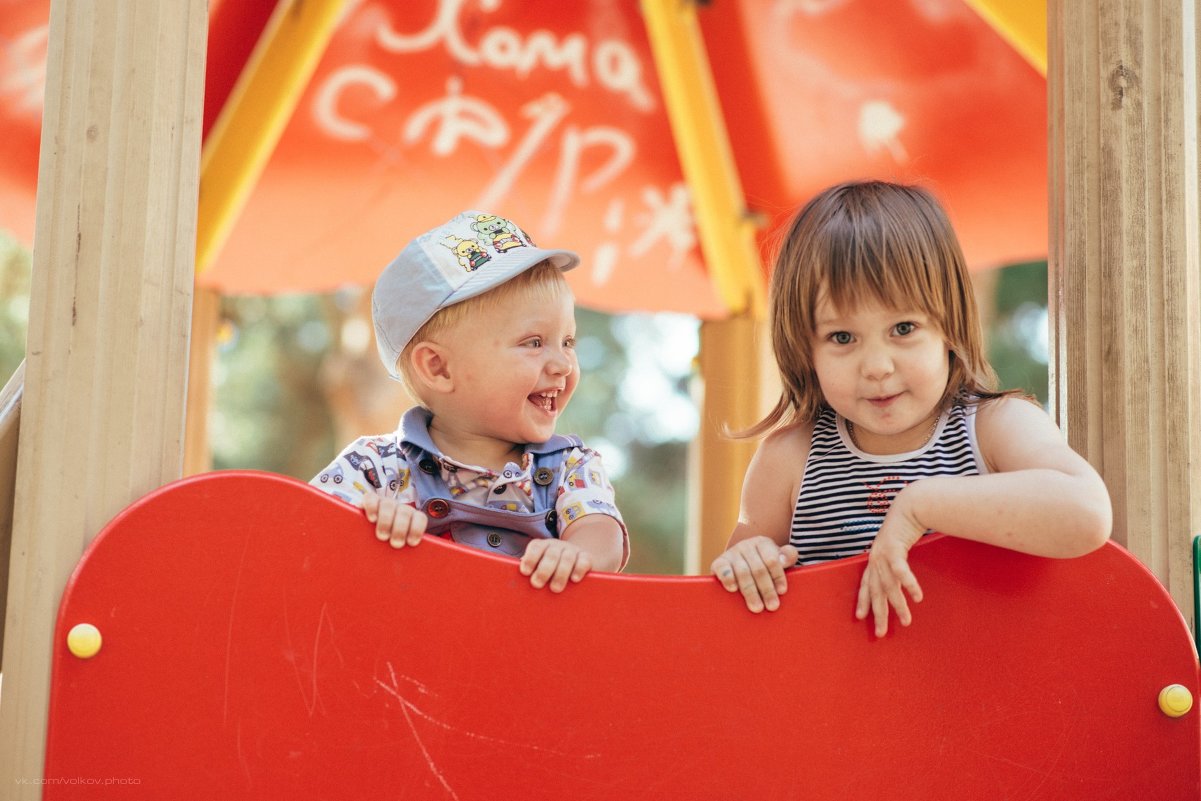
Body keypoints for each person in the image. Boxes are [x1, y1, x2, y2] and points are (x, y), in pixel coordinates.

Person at [710, 180, 1111, 635]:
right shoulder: (790, 459)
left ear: (949, 324)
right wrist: (745, 562)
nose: (878, 367)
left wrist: (921, 504)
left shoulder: (993, 429)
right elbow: (731, 610)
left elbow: (1086, 512)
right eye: (842, 338)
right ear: (805, 349)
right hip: (836, 702)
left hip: (979, 695)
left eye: (903, 328)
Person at [311, 210, 628, 592]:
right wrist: (367, 528)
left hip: (528, 647)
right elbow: (308, 535)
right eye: (534, 342)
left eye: (568, 342)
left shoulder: (569, 467)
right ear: (439, 368)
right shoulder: (376, 468)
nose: (563, 364)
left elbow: (600, 529)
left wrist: (579, 556)